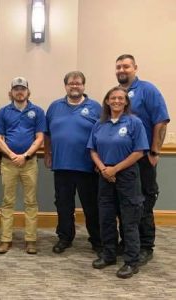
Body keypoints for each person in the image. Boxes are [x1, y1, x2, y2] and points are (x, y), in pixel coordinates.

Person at [88, 86, 149, 279]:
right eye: (112, 98)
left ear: (126, 102)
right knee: (105, 217)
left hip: (126, 176)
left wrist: (115, 169)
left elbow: (139, 151)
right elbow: (92, 149)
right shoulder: (99, 124)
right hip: (104, 175)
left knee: (129, 220)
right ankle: (109, 255)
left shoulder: (134, 122)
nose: (116, 101)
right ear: (107, 101)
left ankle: (131, 261)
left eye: (120, 98)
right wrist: (104, 169)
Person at [115, 54, 170, 265]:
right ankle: (128, 241)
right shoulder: (118, 94)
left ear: (135, 68)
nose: (122, 70)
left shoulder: (148, 90)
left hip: (144, 157)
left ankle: (146, 245)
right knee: (125, 201)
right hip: (123, 159)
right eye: (118, 66)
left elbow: (161, 121)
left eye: (126, 66)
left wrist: (155, 151)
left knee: (144, 201)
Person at [44, 71, 102, 255]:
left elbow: (102, 134)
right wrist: (47, 153)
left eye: (78, 83)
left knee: (91, 205)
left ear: (84, 86)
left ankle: (97, 239)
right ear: (65, 86)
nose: (74, 86)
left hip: (88, 166)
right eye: (71, 83)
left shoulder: (96, 107)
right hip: (61, 165)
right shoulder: (54, 107)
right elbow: (47, 134)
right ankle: (65, 237)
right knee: (63, 204)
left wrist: (99, 161)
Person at [0, 77, 46, 255]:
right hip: (8, 163)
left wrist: (25, 155)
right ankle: (5, 239)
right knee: (7, 202)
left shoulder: (37, 111)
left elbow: (40, 137)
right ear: (11, 92)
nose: (19, 92)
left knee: (30, 202)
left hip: (30, 163)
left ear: (28, 92)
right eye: (16, 89)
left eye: (22, 88)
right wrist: (12, 155)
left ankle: (30, 240)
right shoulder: (3, 112)